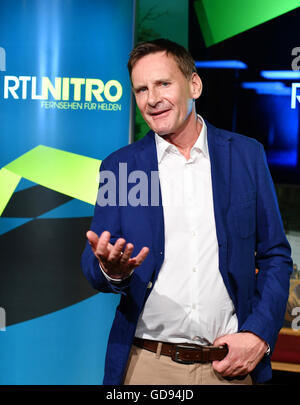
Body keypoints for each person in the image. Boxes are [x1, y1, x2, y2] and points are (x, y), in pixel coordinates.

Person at [81, 38, 293, 385]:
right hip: (146, 366)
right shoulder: (123, 168)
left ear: (194, 85)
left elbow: (275, 255)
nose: (152, 99)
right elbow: (95, 261)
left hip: (230, 366)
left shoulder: (245, 156)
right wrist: (110, 268)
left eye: (163, 83)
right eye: (141, 89)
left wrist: (258, 335)